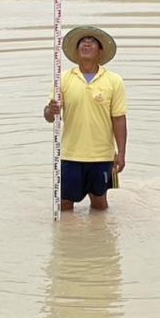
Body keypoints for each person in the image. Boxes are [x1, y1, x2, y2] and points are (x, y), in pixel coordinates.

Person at [43, 26, 127, 211]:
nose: (86, 43)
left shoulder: (114, 81)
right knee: (64, 204)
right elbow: (49, 117)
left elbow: (119, 119)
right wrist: (51, 109)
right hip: (70, 154)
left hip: (102, 155)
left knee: (99, 204)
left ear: (100, 51)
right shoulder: (63, 78)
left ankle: (100, 238)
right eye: (82, 41)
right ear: (76, 50)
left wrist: (120, 153)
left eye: (92, 42)